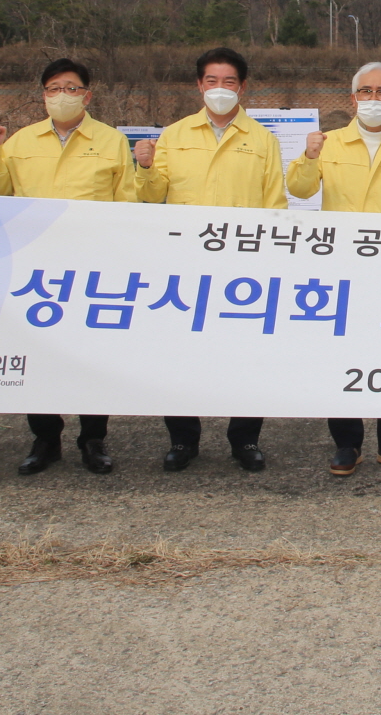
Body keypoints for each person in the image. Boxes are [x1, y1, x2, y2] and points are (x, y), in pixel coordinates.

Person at [0, 58, 137, 478]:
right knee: (39, 352)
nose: (62, 95)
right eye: (53, 87)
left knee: (90, 354)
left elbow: (128, 204)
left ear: (87, 95)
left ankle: (93, 438)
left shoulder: (111, 141)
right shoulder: (20, 142)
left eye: (71, 88)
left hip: (93, 267)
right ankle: (45, 438)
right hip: (36, 268)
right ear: (43, 95)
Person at [135, 46, 285, 473]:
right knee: (180, 356)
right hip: (185, 266)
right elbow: (151, 196)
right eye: (212, 81)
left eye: (230, 82)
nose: (221, 89)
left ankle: (245, 439)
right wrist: (144, 168)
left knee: (246, 355)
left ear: (243, 87)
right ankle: (183, 439)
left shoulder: (262, 140)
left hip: (245, 267)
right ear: (199, 85)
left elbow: (275, 204)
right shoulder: (174, 135)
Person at [288, 61, 381, 477]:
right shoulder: (328, 143)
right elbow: (299, 189)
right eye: (366, 91)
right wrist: (308, 156)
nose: (374, 99)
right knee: (343, 354)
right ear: (352, 99)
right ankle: (347, 443)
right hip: (342, 269)